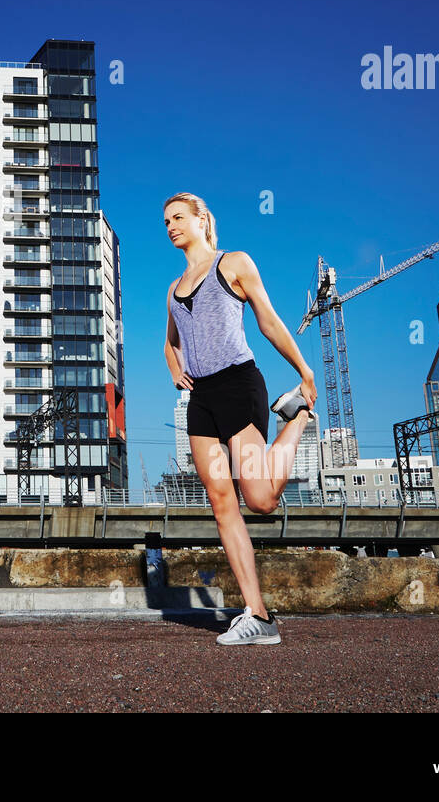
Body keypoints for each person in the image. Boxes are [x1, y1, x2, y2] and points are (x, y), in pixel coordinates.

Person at [162, 191, 316, 646]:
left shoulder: (233, 263)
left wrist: (304, 372)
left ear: (201, 219)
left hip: (239, 386)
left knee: (261, 499)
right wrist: (176, 370)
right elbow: (170, 341)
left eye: (178, 218)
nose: (171, 226)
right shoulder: (173, 289)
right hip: (202, 401)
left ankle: (300, 418)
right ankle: (258, 614)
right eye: (165, 221)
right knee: (221, 504)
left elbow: (268, 320)